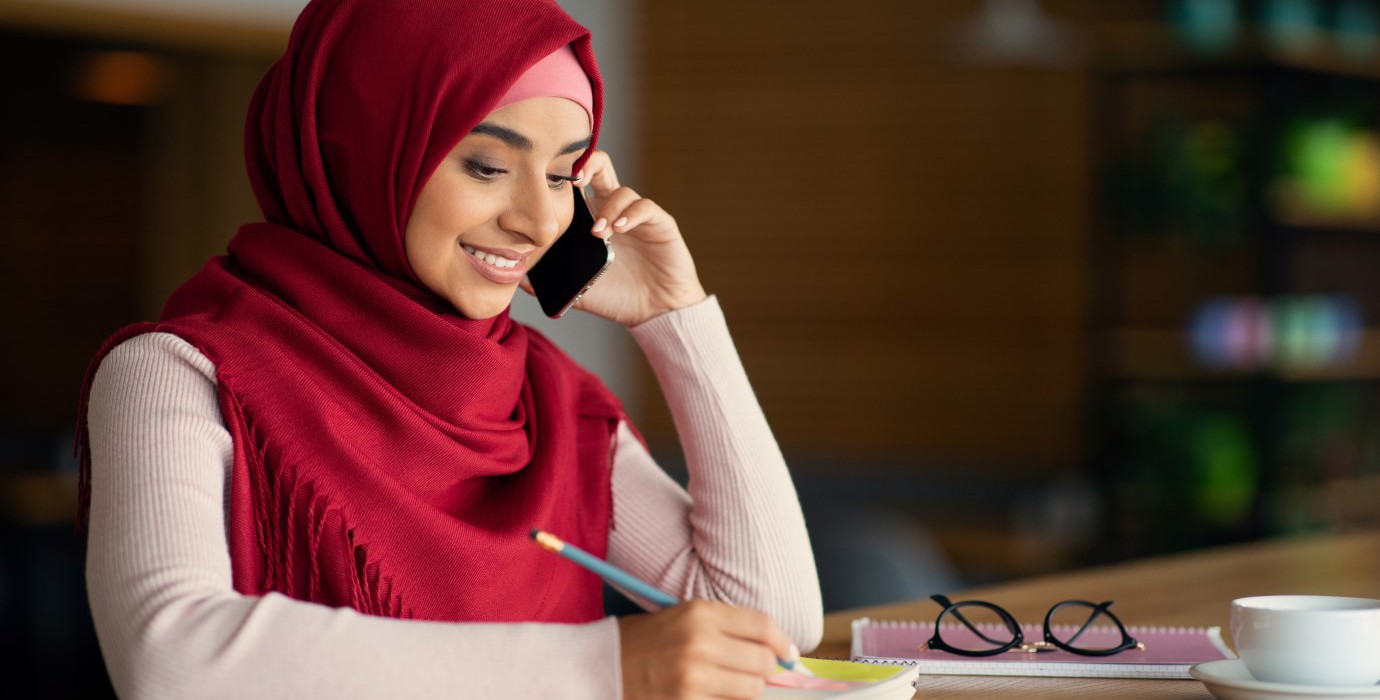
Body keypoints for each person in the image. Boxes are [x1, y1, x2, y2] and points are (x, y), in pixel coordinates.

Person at [76, 0, 823, 698]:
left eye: (564, 173)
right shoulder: (180, 373)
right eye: (488, 167)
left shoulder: (544, 398)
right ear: (362, 154)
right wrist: (608, 668)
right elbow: (168, 656)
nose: (538, 220)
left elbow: (770, 621)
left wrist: (676, 315)